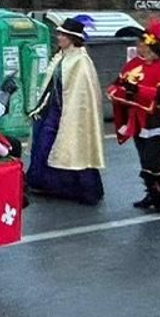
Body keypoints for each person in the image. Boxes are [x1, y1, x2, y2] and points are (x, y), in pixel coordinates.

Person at [108, 19, 160, 213]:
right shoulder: (133, 64)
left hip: (156, 120)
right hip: (137, 119)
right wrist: (121, 89)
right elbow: (118, 84)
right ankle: (152, 193)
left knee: (155, 159)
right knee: (144, 158)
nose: (140, 48)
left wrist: (136, 90)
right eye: (139, 44)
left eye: (144, 45)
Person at [26, 16, 105, 204]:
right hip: (54, 109)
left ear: (71, 37)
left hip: (70, 111)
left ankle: (82, 189)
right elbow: (51, 85)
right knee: (44, 144)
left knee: (74, 148)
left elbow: (82, 94)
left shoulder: (81, 61)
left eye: (62, 34)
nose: (58, 37)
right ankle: (46, 184)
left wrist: (69, 113)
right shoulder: (62, 56)